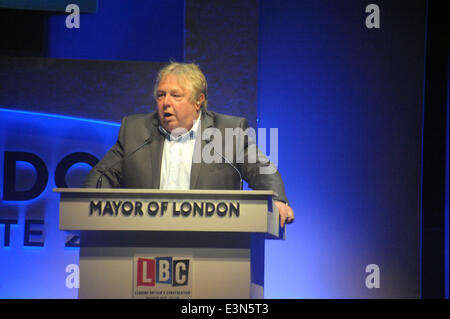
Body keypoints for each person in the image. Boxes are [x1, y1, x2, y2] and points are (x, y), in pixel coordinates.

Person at [83, 62, 294, 227]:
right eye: (161, 95)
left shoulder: (228, 132)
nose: (166, 102)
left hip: (214, 243)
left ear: (198, 100)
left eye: (175, 95)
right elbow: (102, 175)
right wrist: (86, 208)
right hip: (143, 241)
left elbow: (261, 169)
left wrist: (278, 200)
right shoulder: (136, 131)